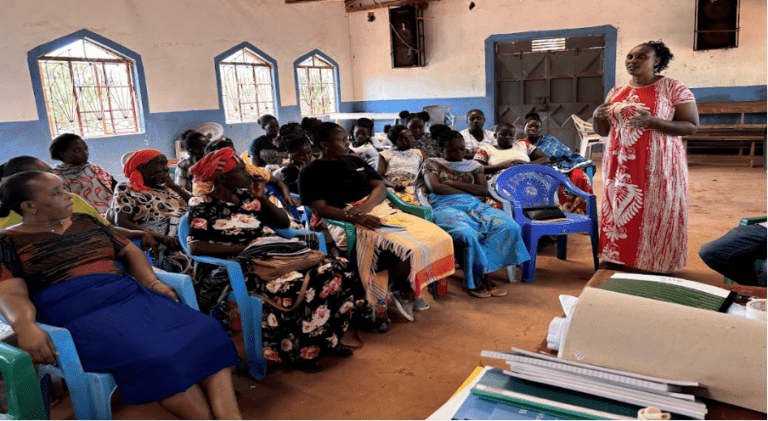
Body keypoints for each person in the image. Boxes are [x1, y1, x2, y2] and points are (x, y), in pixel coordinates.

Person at [0, 171, 241, 419]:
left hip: (129, 295)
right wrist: (24, 325)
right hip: (78, 311)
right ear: (29, 206)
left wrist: (152, 283)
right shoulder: (8, 241)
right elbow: (11, 291)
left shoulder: (87, 221)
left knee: (207, 331)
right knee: (156, 357)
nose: (69, 196)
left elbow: (129, 251)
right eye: (57, 192)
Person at [186, 148, 367, 373]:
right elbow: (195, 245)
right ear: (223, 177)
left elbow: (281, 223)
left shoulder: (246, 196)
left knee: (340, 268)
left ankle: (328, 339)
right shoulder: (201, 203)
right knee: (301, 283)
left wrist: (261, 198)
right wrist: (249, 249)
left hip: (275, 255)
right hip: (244, 265)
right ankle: (298, 352)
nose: (248, 174)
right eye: (241, 170)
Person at [299, 122, 455, 322]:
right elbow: (319, 208)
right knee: (406, 249)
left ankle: (404, 289)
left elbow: (380, 186)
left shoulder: (355, 162)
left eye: (348, 139)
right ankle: (404, 291)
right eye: (343, 140)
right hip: (345, 220)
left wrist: (367, 206)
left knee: (438, 237)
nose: (349, 143)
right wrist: (356, 217)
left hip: (379, 211)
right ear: (325, 145)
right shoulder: (311, 172)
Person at [592, 41, 699, 274]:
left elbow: (691, 126)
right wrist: (595, 116)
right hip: (619, 163)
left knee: (657, 208)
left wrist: (653, 122)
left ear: (657, 60)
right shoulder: (616, 91)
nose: (633, 61)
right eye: (630, 57)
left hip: (658, 163)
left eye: (641, 57)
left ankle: (657, 261)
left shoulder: (672, 87)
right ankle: (617, 257)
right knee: (619, 207)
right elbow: (603, 130)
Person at [418, 130, 530, 297]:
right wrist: (467, 189)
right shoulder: (431, 163)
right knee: (467, 233)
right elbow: (435, 188)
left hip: (474, 204)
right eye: (452, 150)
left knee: (509, 226)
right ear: (441, 150)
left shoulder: (474, 166)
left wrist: (451, 183)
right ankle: (478, 278)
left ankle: (484, 272)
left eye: (462, 149)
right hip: (444, 206)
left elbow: (483, 189)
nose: (458, 154)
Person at [0, 156, 157, 249]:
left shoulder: (72, 201)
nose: (53, 178)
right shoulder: (7, 230)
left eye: (51, 174)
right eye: (43, 177)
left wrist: (141, 233)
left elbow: (105, 229)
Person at [110, 149, 194, 275]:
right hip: (161, 241)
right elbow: (121, 221)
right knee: (190, 262)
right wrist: (162, 237)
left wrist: (174, 186)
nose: (166, 168)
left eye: (166, 164)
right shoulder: (127, 188)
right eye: (160, 164)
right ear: (143, 167)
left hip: (188, 235)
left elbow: (198, 206)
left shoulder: (172, 188)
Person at [196, 138, 301, 209]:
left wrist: (285, 195)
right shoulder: (203, 190)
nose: (246, 174)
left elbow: (276, 180)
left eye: (234, 154)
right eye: (229, 158)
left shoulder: (246, 196)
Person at [522, 113, 594, 214]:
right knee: (548, 180)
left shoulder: (549, 140)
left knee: (579, 175)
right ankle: (555, 214)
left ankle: (580, 213)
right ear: (524, 127)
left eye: (537, 127)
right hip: (538, 170)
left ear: (541, 130)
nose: (533, 129)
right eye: (530, 126)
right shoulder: (519, 144)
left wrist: (553, 161)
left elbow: (564, 153)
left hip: (561, 166)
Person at [49, 133, 116, 217]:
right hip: (83, 220)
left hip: (112, 214)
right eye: (77, 150)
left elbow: (114, 187)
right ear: (62, 154)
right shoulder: (55, 177)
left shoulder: (94, 168)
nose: (85, 153)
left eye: (86, 149)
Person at [699, 223, 767, 287]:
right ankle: (754, 291)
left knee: (765, 271)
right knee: (708, 252)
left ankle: (760, 292)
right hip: (763, 228)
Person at [473, 123, 550, 178]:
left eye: (511, 135)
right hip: (500, 182)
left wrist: (527, 164)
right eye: (503, 134)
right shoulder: (485, 149)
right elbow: (475, 168)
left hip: (527, 179)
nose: (507, 137)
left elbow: (545, 158)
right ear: (495, 136)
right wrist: (500, 166)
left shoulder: (523, 145)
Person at [377, 125, 426, 206]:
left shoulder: (419, 153)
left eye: (410, 136)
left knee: (419, 203)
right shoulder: (385, 155)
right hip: (392, 185)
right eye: (404, 139)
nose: (410, 140)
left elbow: (429, 172)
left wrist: (419, 184)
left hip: (414, 184)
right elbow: (378, 176)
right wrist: (393, 185)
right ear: (394, 141)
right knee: (393, 204)